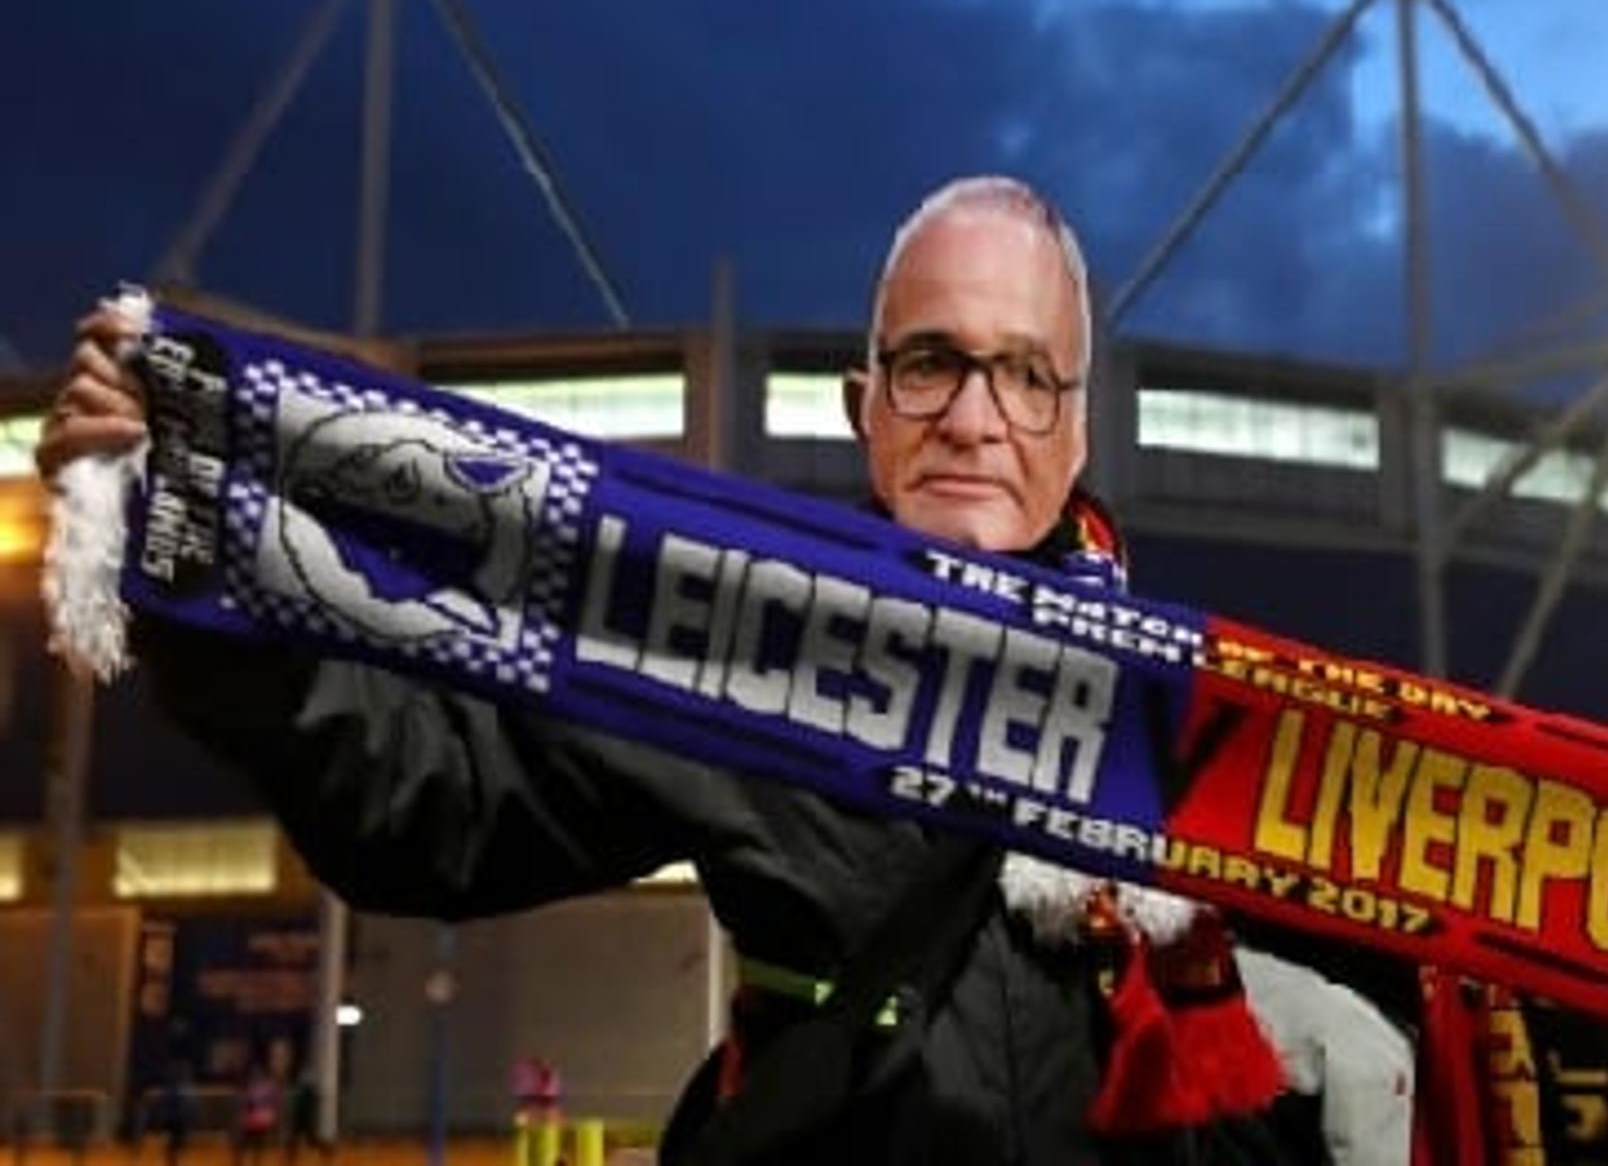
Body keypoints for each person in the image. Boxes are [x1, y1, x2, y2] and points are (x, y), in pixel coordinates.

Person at [37, 176, 1338, 1164]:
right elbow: (428, 813)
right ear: (866, 408)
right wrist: (193, 554)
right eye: (932, 363)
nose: (976, 415)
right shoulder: (746, 645)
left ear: (1076, 420)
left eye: (1024, 373)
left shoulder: (1205, 718)